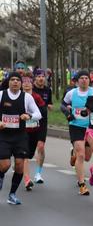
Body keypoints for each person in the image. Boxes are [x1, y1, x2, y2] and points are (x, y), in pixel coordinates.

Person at [0, 71, 42, 204]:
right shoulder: (1, 95)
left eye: (18, 80)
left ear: (21, 83)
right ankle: (1, 176)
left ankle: (12, 194)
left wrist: (28, 116)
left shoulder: (27, 97)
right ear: (9, 81)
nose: (15, 82)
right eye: (13, 80)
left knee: (19, 165)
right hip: (3, 136)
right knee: (5, 165)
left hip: (20, 136)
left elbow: (38, 114)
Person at [61, 70, 93, 195]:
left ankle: (73, 153)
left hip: (90, 128)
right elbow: (63, 105)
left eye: (86, 78)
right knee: (81, 154)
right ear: (78, 80)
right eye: (82, 78)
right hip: (76, 126)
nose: (84, 80)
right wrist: (68, 114)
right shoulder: (72, 93)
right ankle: (82, 184)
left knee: (87, 157)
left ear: (89, 80)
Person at [20, 75, 47, 191]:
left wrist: (43, 136)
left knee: (35, 151)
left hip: (36, 129)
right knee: (25, 155)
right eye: (24, 82)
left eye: (28, 82)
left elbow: (43, 117)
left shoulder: (37, 97)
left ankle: (38, 172)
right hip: (22, 131)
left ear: (32, 83)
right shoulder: (18, 97)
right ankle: (27, 180)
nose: (26, 84)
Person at [31, 69, 53, 184]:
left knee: (40, 147)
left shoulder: (47, 90)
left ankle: (38, 173)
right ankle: (18, 164)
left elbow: (50, 102)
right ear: (34, 78)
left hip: (42, 122)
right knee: (24, 149)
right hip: (29, 122)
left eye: (43, 76)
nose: (41, 78)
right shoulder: (30, 89)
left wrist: (49, 106)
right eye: (38, 76)